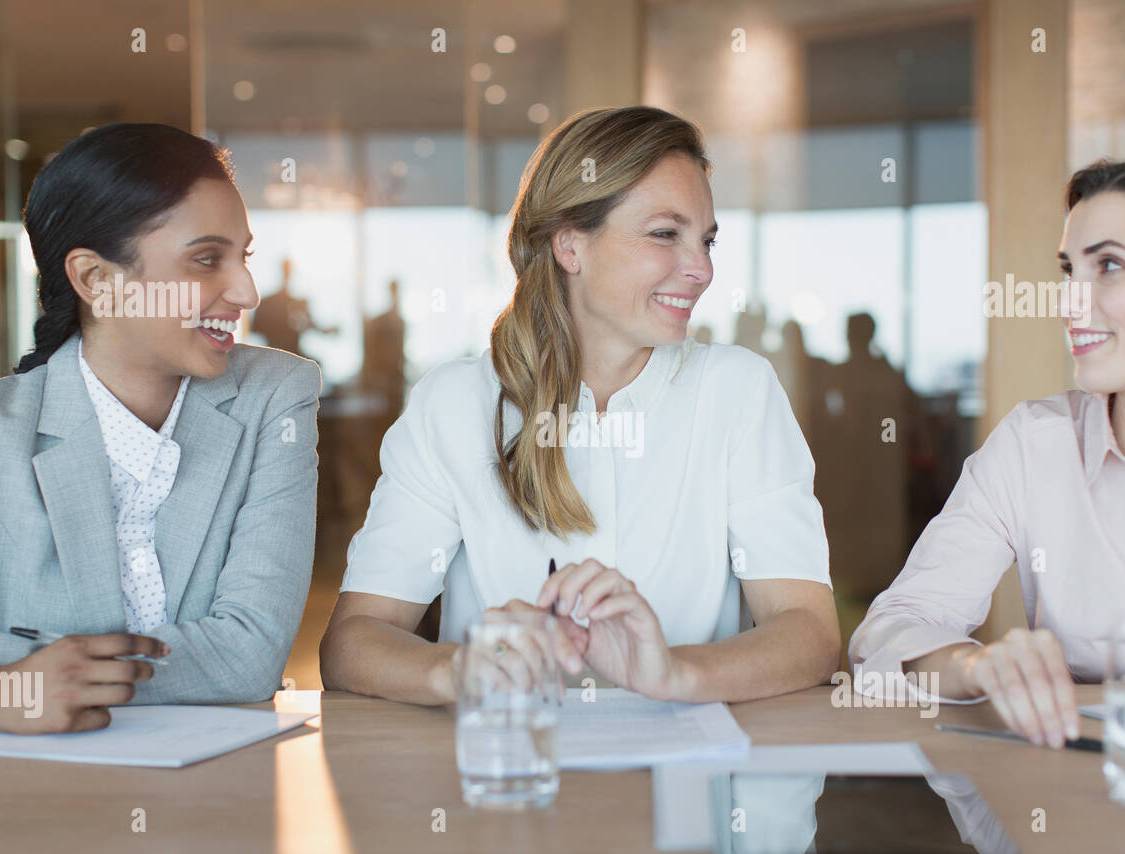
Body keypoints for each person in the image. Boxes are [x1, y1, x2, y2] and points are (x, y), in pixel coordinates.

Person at [321, 106, 839, 705]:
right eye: (665, 234)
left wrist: (674, 675)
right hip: (510, 774)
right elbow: (351, 642)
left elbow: (810, 632)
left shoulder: (738, 392)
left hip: (690, 783)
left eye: (706, 240)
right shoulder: (455, 404)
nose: (701, 269)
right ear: (570, 245)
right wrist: (457, 672)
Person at [850, 150, 1125, 747]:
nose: (1068, 306)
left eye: (1109, 266)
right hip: (1086, 800)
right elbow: (891, 630)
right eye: (1069, 271)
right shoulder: (1034, 445)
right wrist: (977, 668)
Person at [0, 123, 321, 733]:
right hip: (25, 803)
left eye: (242, 257)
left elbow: (250, 655)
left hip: (218, 798)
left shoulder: (274, 397)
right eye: (205, 260)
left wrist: (23, 669)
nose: (246, 291)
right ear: (96, 280)